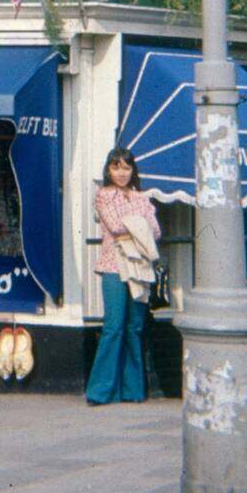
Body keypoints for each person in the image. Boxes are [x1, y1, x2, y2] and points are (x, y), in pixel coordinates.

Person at [86, 147, 160, 406]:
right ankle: (100, 391)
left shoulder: (142, 196)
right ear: (108, 169)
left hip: (139, 268)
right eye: (116, 167)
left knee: (134, 327)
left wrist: (134, 224)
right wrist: (140, 224)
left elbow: (156, 230)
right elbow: (115, 226)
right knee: (114, 326)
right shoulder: (103, 195)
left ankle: (132, 390)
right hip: (113, 265)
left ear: (133, 170)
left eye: (126, 168)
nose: (121, 173)